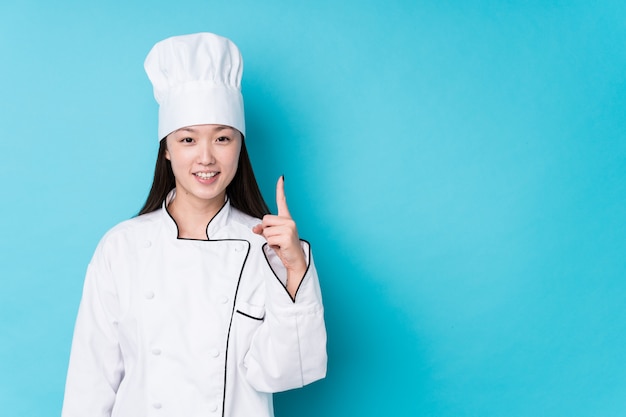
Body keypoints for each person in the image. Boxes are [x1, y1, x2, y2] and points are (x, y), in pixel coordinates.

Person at [61, 32, 327, 417]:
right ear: (166, 150)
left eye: (222, 138)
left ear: (239, 146)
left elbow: (283, 373)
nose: (206, 157)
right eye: (188, 139)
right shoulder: (121, 247)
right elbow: (90, 383)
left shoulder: (265, 249)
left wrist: (295, 270)